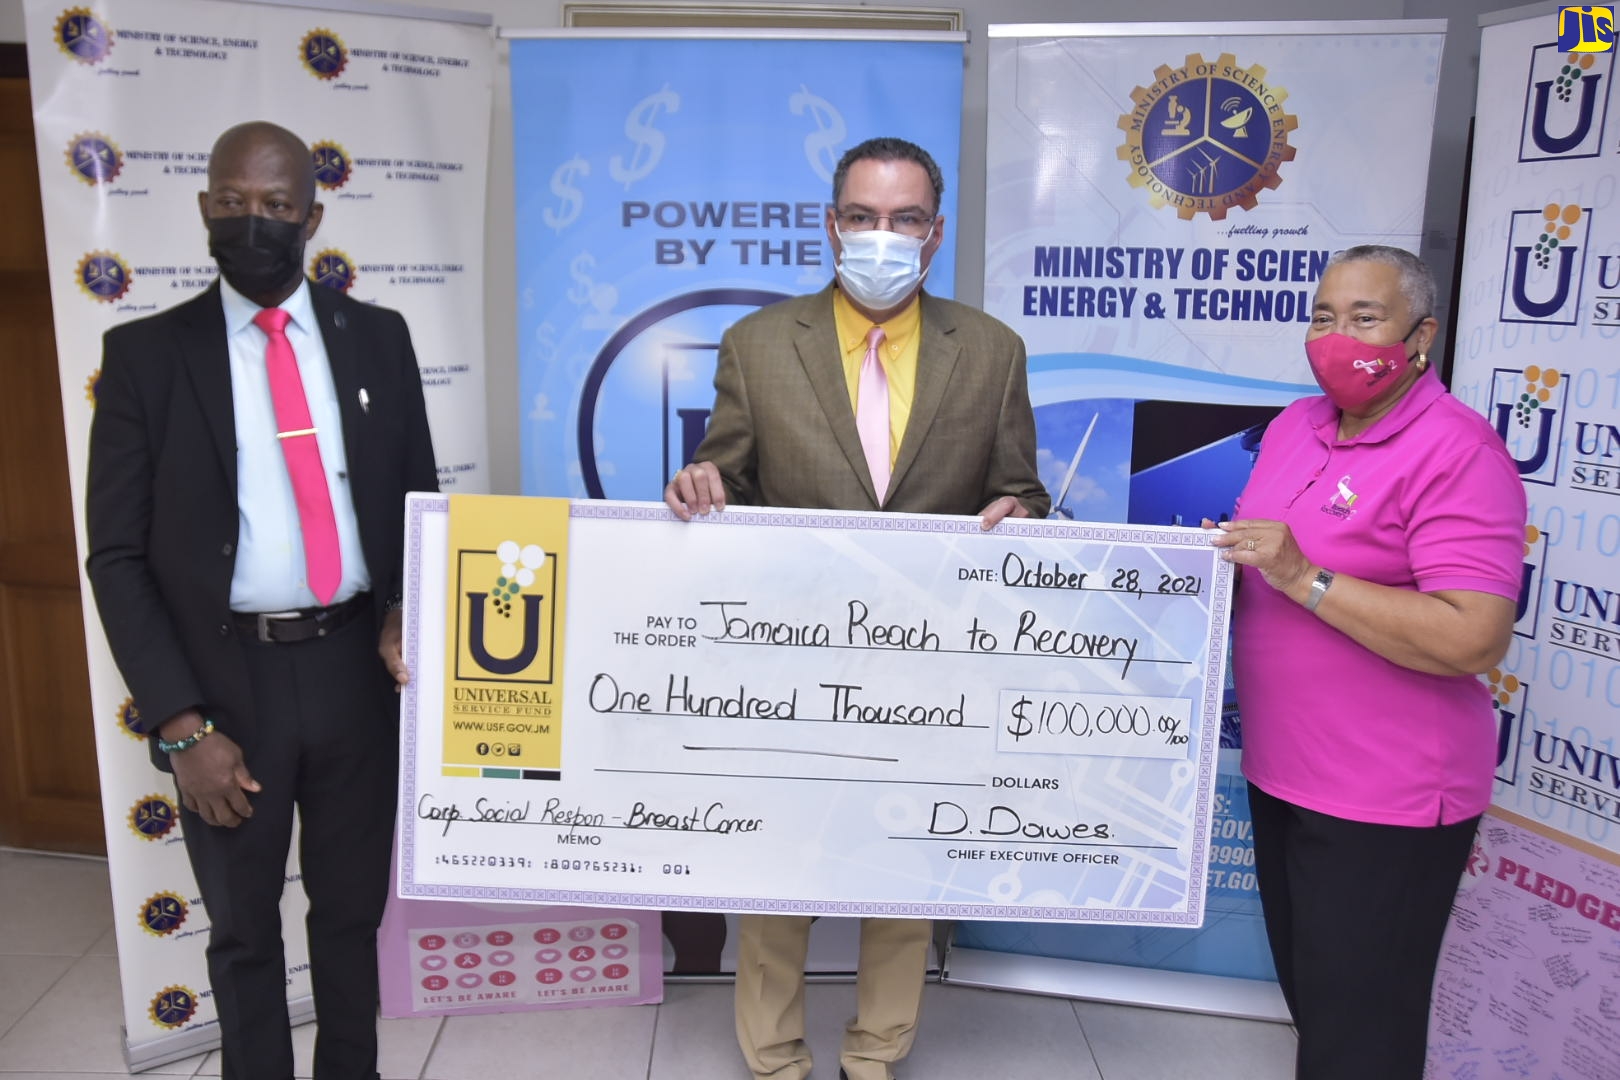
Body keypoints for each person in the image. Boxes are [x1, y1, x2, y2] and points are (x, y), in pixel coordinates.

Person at [664, 137, 1049, 1080]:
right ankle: (775, 1056)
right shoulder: (759, 346)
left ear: (935, 232)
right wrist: (702, 482)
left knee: (901, 873)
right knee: (777, 874)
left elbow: (1024, 492)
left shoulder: (993, 352)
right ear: (831, 224)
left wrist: (1023, 516)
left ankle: (876, 1054)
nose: (884, 236)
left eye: (905, 219)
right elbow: (729, 473)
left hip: (929, 670)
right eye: (864, 218)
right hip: (787, 665)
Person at [85, 121, 437, 1080]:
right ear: (205, 209)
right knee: (241, 931)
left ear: (312, 217)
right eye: (233, 203)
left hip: (353, 670)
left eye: (276, 206)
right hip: (220, 684)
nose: (255, 222)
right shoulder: (147, 358)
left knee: (351, 914)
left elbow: (417, 503)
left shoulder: (380, 339)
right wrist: (182, 726)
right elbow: (115, 556)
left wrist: (406, 607)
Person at [1207, 245, 1525, 1079]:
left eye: (1364, 318)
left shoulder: (1458, 451)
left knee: (1361, 1041)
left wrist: (1304, 575)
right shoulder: (1292, 425)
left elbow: (1473, 637)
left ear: (1422, 336)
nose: (1335, 335)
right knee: (1321, 1010)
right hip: (1284, 773)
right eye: (1322, 316)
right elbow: (1256, 562)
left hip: (1389, 796)